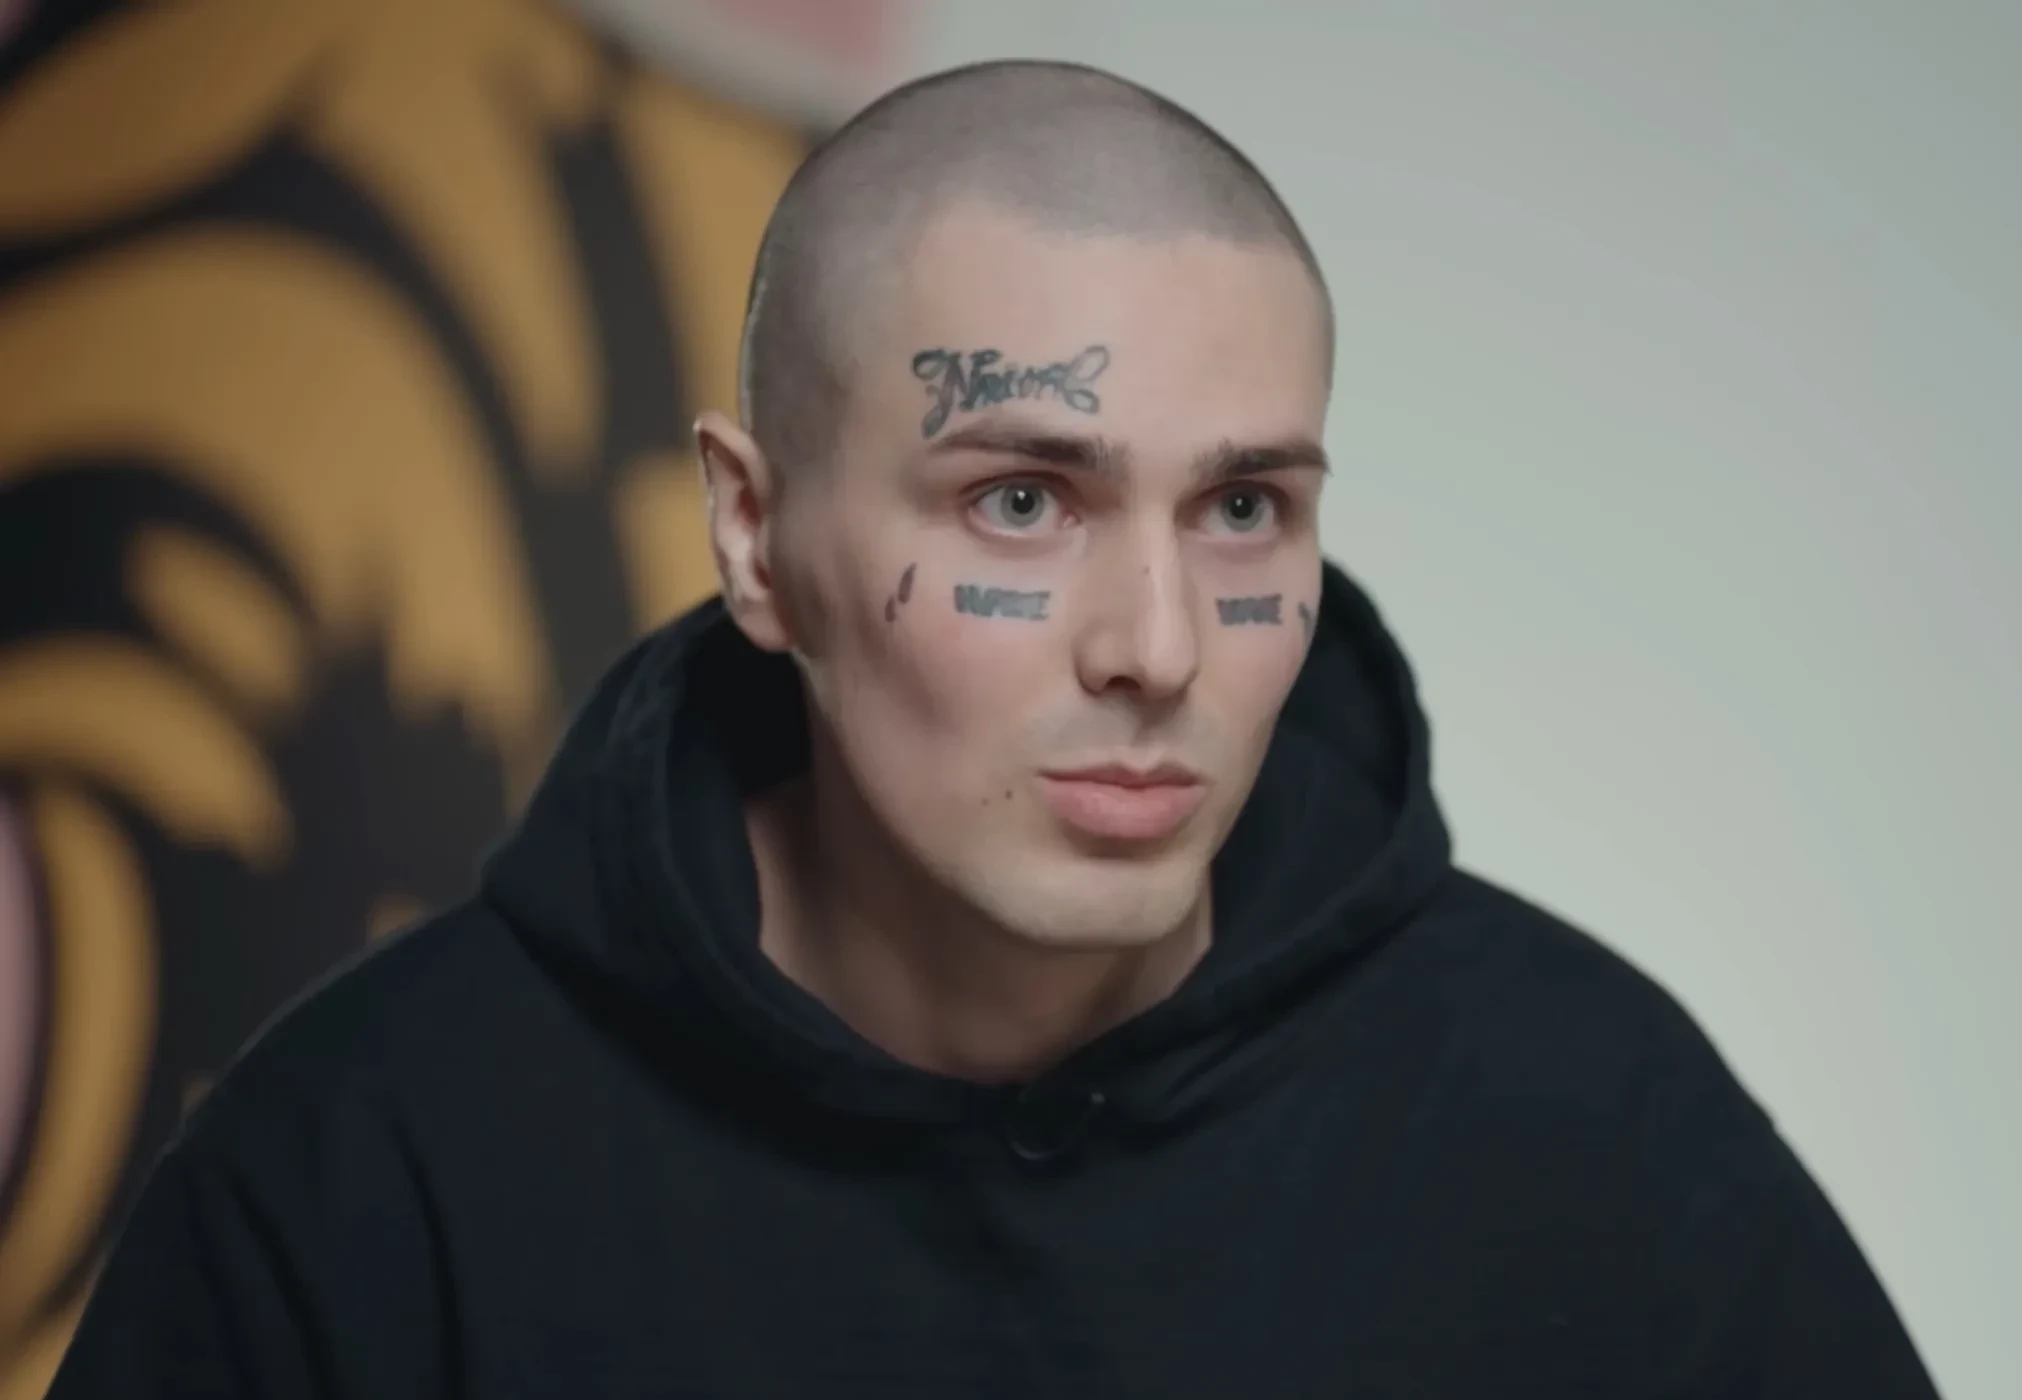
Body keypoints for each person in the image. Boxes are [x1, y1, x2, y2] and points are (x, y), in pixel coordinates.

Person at [49, 59, 1938, 1398]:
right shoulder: (366, 1169)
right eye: (1021, 502)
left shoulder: (1587, 1123)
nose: (1156, 646)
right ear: (756, 536)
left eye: (1243, 507)